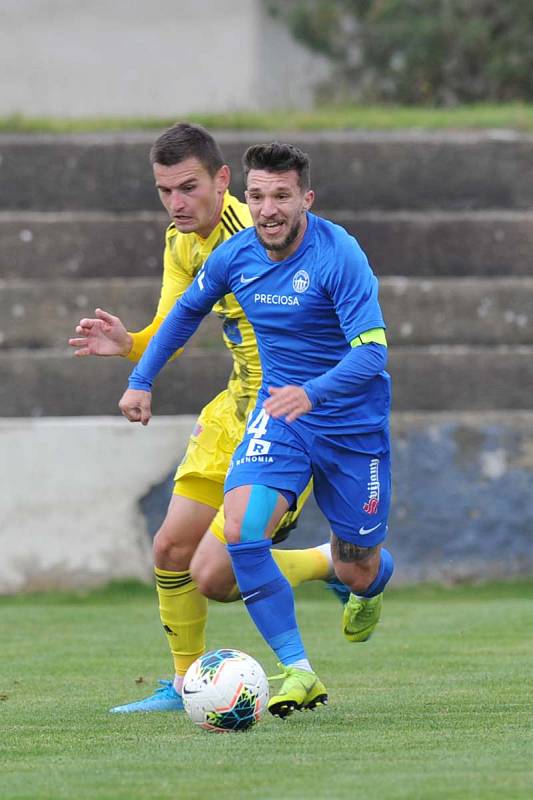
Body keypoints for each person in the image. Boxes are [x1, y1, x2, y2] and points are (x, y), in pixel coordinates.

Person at [70, 125, 344, 715]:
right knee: (170, 549)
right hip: (231, 412)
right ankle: (185, 682)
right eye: (164, 190)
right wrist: (129, 347)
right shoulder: (180, 240)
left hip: (281, 421)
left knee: (216, 577)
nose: (176, 203)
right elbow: (172, 324)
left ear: (223, 181)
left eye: (187, 187)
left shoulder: (264, 236)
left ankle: (332, 562)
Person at [118, 141, 395, 719]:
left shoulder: (338, 253)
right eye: (259, 195)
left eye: (282, 196)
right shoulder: (233, 255)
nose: (268, 209)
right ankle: (298, 670)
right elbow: (186, 313)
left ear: (305, 199)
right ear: (247, 195)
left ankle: (367, 578)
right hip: (279, 420)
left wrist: (314, 391)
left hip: (350, 426)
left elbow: (372, 353)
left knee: (357, 564)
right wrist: (141, 378)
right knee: (241, 532)